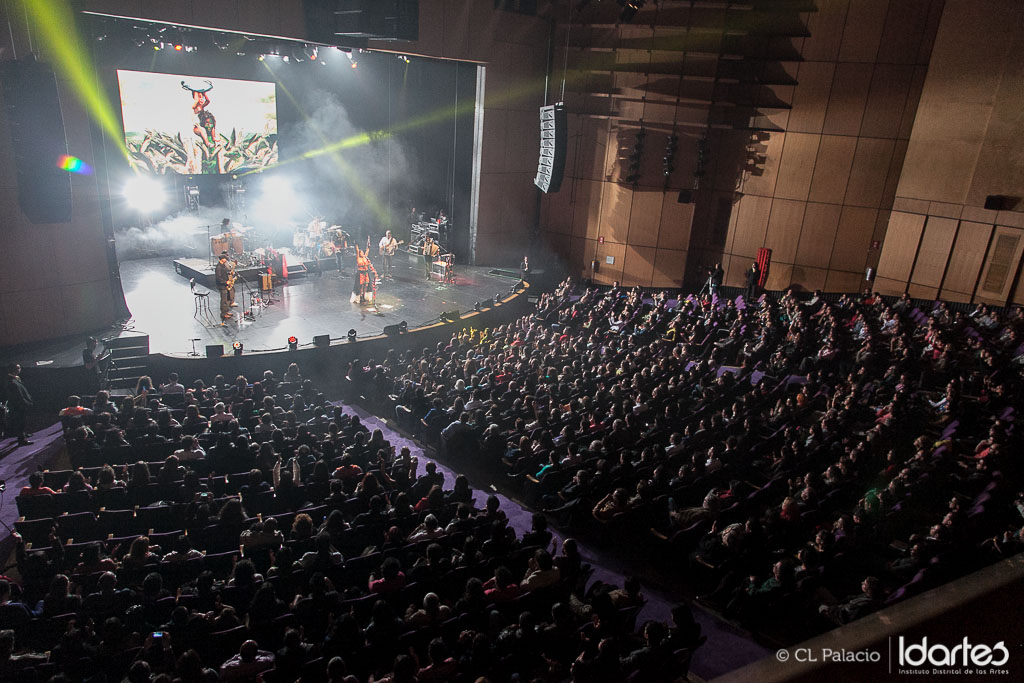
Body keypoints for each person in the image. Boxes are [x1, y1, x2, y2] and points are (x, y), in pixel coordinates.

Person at [4, 363, 33, 446]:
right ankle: (21, 439)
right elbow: (17, 396)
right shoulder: (11, 382)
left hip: (20, 405)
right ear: (14, 370)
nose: (20, 370)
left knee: (23, 421)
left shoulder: (15, 379)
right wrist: (25, 403)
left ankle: (23, 434)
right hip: (18, 406)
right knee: (20, 422)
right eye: (18, 368)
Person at [215, 252, 235, 320]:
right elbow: (219, 278)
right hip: (222, 285)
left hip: (225, 285)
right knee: (223, 300)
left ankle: (226, 312)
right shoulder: (218, 267)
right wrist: (226, 282)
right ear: (222, 259)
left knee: (226, 299)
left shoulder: (222, 266)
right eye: (225, 259)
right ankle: (223, 314)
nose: (226, 260)